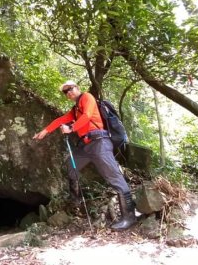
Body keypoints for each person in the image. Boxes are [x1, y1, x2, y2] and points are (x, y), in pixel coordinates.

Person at [32, 80, 136, 231]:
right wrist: (45, 131)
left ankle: (129, 217)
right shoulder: (75, 110)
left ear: (77, 88)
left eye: (71, 89)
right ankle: (76, 201)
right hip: (86, 146)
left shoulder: (87, 97)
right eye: (65, 91)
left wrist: (71, 128)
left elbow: (87, 116)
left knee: (115, 178)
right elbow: (60, 120)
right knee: (70, 165)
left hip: (100, 142)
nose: (69, 92)